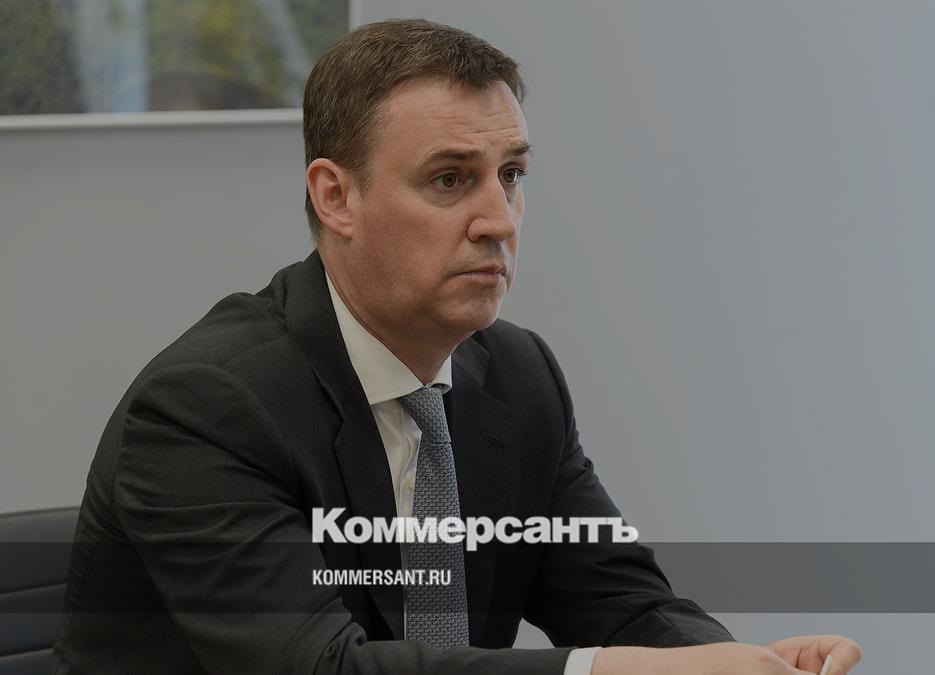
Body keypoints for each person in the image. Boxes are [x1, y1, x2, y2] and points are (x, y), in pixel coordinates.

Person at [53, 18, 862, 675]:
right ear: (336, 197)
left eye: (511, 174)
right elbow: (322, 666)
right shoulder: (207, 405)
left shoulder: (518, 375)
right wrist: (607, 671)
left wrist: (737, 661)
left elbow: (625, 605)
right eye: (450, 179)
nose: (499, 219)